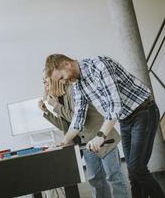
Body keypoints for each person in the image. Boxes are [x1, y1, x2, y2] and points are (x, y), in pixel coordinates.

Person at [46, 54, 165, 198]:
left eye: (61, 77)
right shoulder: (78, 84)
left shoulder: (100, 66)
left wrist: (100, 136)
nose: (63, 82)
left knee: (137, 168)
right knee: (133, 173)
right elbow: (78, 116)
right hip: (125, 119)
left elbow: (115, 106)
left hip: (143, 111)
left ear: (67, 64)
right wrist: (64, 141)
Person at [39, 75, 128, 198]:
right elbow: (65, 126)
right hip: (86, 143)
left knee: (114, 177)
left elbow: (77, 121)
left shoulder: (72, 92)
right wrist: (46, 111)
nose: (45, 86)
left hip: (103, 140)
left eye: (46, 82)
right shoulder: (60, 99)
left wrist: (56, 106)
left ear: (55, 81)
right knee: (95, 179)